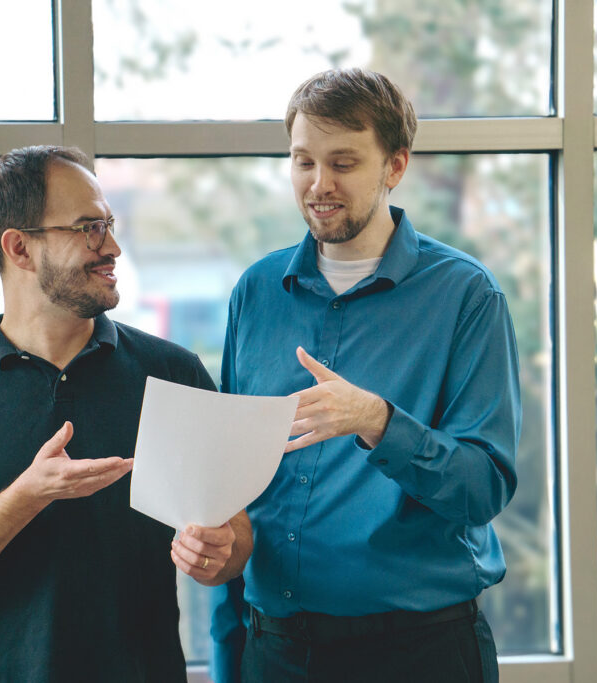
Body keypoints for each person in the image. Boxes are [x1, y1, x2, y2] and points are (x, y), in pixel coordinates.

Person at [0, 145, 252, 682]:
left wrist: (219, 551)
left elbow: (235, 538)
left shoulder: (172, 373)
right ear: (20, 249)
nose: (113, 246)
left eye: (109, 224)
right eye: (88, 228)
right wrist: (28, 495)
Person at [210, 68, 521, 683]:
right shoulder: (256, 291)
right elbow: (231, 479)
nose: (319, 185)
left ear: (395, 166)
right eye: (303, 162)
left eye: (344, 163)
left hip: (417, 653)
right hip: (275, 650)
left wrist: (377, 422)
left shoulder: (465, 296)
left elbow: (483, 487)